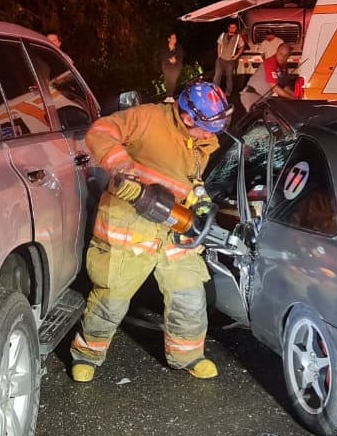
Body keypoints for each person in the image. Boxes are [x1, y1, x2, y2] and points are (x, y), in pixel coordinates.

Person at [70, 80, 233, 383]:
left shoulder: (202, 141)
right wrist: (123, 169)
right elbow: (100, 131)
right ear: (187, 117)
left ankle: (188, 356)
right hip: (130, 228)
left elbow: (187, 178)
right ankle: (87, 354)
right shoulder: (148, 118)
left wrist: (198, 198)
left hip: (174, 227)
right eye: (205, 128)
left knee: (189, 296)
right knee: (111, 298)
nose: (210, 135)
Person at [239, 42, 299, 111]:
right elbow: (275, 89)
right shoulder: (270, 63)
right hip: (252, 95)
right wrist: (294, 99)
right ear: (277, 51)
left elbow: (284, 87)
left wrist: (297, 96)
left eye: (285, 55)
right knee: (260, 115)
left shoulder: (283, 66)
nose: (282, 57)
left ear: (289, 56)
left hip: (263, 97)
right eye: (280, 53)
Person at [213, 22, 246, 97]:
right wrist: (219, 54)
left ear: (236, 28)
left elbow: (242, 46)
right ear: (228, 28)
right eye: (231, 27)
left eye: (234, 27)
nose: (232, 29)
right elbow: (219, 45)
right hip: (221, 59)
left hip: (230, 60)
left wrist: (237, 56)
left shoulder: (238, 37)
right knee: (217, 76)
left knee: (229, 77)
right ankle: (215, 91)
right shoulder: (223, 35)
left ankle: (228, 93)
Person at [160, 32, 184, 97]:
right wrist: (169, 60)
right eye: (173, 38)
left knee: (173, 82)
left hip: (176, 68)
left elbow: (180, 57)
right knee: (169, 83)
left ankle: (171, 96)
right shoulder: (164, 49)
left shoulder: (179, 48)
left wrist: (176, 61)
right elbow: (163, 58)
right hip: (167, 68)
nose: (175, 39)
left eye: (175, 38)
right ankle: (169, 96)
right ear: (169, 39)